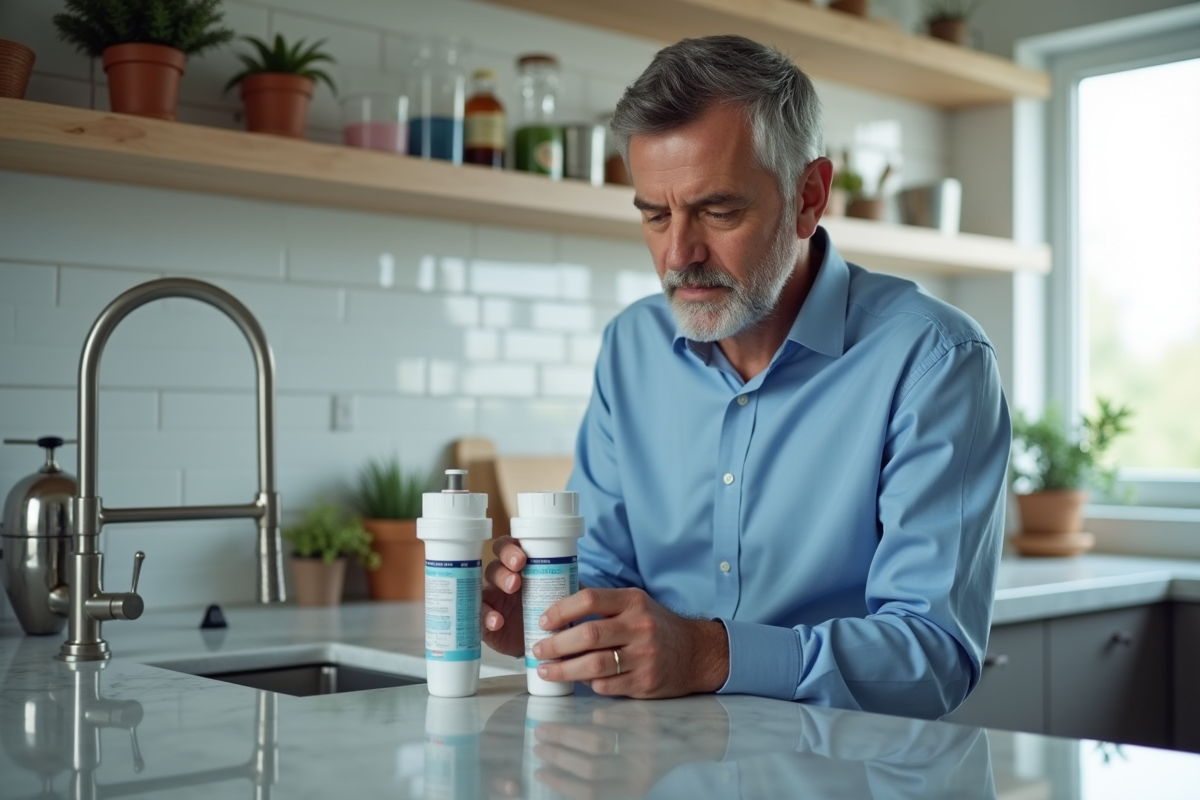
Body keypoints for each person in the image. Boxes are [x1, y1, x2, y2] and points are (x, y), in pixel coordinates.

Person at [481, 34, 1011, 719]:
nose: (679, 254)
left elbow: (933, 657)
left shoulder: (936, 361)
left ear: (808, 197)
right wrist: (546, 620)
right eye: (654, 214)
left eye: (718, 210)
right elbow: (607, 580)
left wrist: (710, 652)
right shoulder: (630, 348)